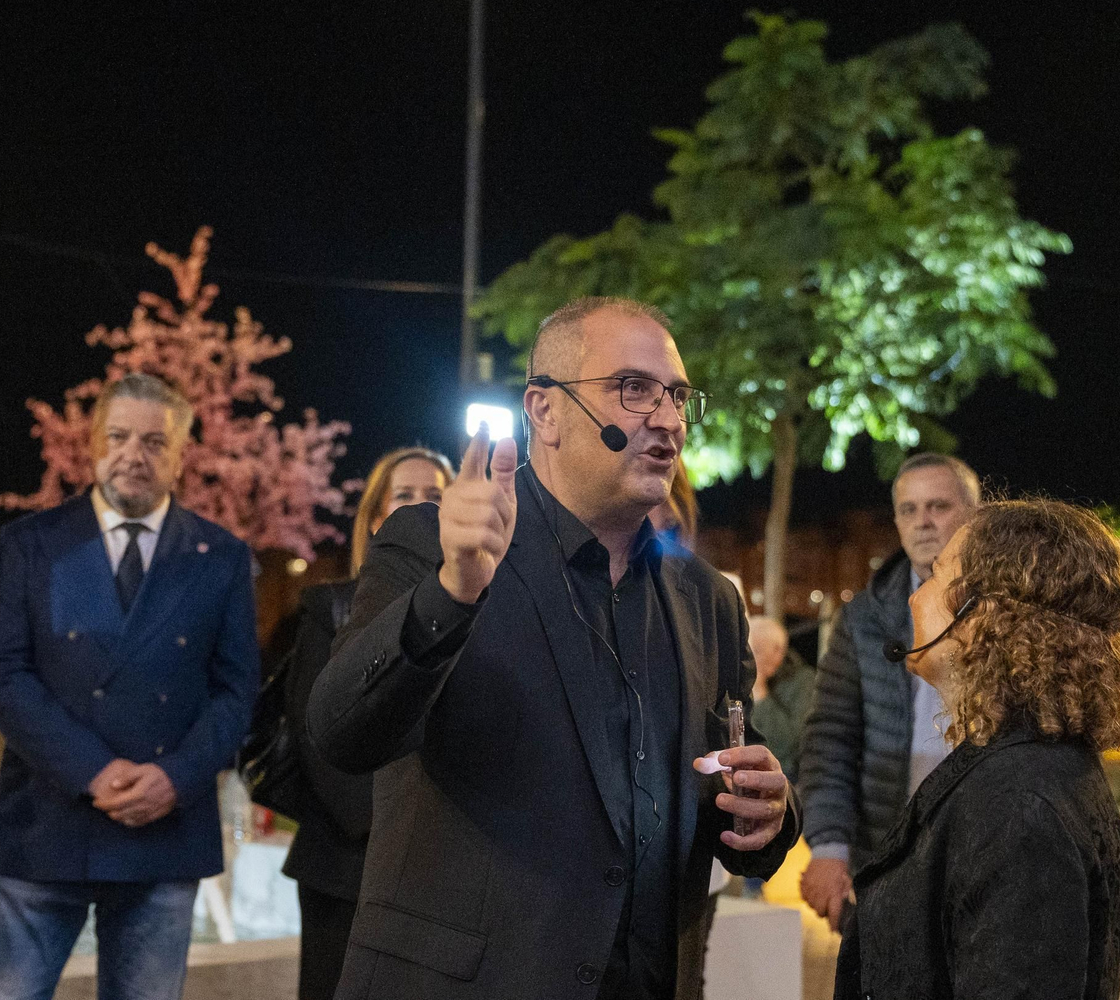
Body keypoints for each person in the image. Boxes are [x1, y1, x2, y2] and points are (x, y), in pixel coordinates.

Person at [309, 297, 800, 1000]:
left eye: (678, 397)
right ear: (543, 410)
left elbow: (729, 798)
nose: (665, 419)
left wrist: (771, 813)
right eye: (633, 389)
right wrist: (452, 593)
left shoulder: (707, 600)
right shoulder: (435, 544)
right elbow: (340, 731)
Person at [0, 373, 260, 1000]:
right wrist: (94, 771)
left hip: (166, 835)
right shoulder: (30, 545)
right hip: (44, 827)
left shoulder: (223, 557)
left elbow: (237, 694)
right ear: (95, 444)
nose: (135, 454)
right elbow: (2, 674)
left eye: (156, 442)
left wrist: (174, 779)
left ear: (181, 454)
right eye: (120, 436)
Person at [837, 498, 1120, 1000]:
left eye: (937, 576)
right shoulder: (1022, 770)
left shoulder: (1019, 804)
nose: (914, 599)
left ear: (978, 614)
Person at [283, 446, 453, 999]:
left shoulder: (479, 611)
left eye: (435, 496)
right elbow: (321, 739)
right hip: (346, 866)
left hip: (438, 878)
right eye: (404, 497)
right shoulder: (327, 610)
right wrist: (392, 830)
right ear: (376, 518)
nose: (421, 509)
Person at [798, 452, 979, 931]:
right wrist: (829, 847)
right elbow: (830, 738)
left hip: (984, 849)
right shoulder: (863, 618)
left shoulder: (1010, 609)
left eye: (938, 506)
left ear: (974, 514)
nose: (923, 522)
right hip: (884, 857)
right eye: (908, 509)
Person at [745, 617, 815, 785]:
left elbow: (786, 743)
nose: (752, 659)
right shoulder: (744, 677)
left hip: (784, 776)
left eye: (758, 651)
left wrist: (760, 691)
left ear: (778, 650)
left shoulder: (803, 682)